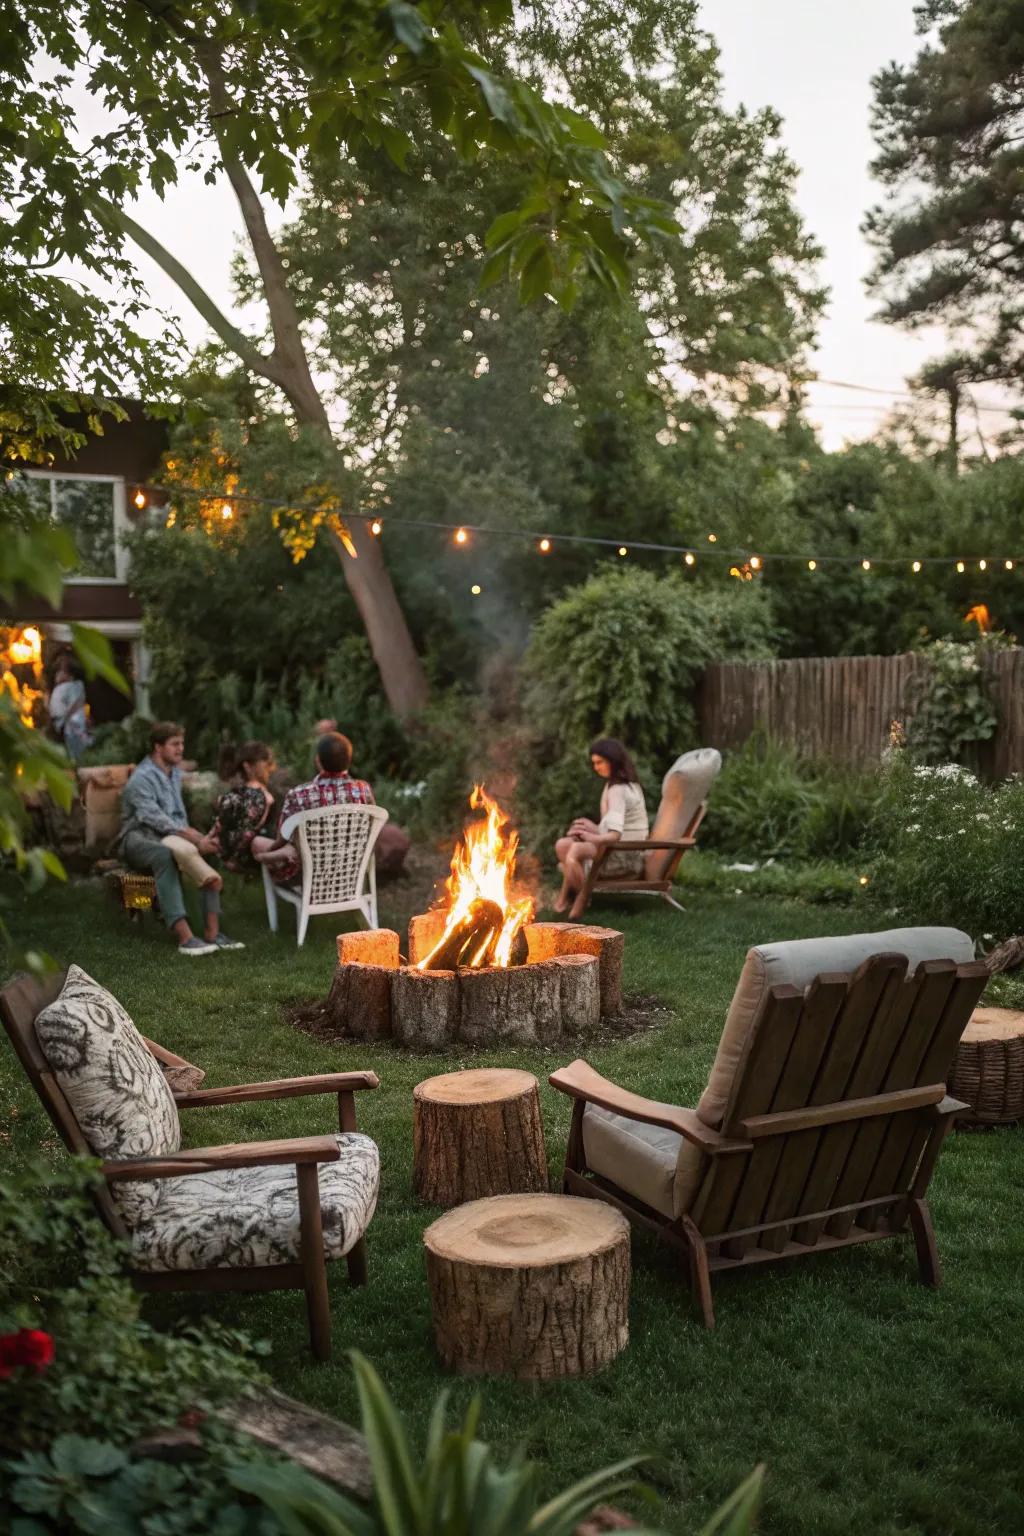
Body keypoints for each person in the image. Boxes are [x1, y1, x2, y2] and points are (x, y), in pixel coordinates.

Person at [119, 721, 244, 956]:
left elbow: (176, 819)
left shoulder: (173, 773)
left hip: (169, 836)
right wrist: (195, 839)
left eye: (182, 743)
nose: (180, 749)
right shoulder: (142, 779)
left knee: (206, 857)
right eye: (174, 744)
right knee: (164, 856)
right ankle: (185, 939)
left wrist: (200, 838)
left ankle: (212, 934)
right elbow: (156, 820)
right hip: (137, 838)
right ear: (158, 747)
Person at [553, 737, 649, 920]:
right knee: (562, 845)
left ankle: (583, 898)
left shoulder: (618, 790)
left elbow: (614, 835)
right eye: (594, 763)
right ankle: (564, 900)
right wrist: (592, 828)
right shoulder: (627, 785)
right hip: (621, 848)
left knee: (573, 850)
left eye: (599, 762)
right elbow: (618, 827)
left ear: (612, 760)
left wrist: (589, 836)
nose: (596, 767)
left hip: (624, 856)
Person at [261, 731, 376, 885]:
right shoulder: (363, 789)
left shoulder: (298, 795)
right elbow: (373, 826)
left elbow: (283, 837)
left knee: (262, 846)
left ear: (318, 761)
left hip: (310, 876)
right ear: (349, 760)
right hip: (351, 874)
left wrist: (269, 852)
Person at [211, 740, 279, 871]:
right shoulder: (261, 796)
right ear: (248, 766)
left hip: (232, 854)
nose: (269, 767)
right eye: (265, 762)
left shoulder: (233, 794)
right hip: (250, 857)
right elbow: (248, 832)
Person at [48, 654, 93, 761]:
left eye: (61, 672)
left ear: (70, 674)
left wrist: (65, 720)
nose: (57, 675)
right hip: (60, 723)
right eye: (57, 671)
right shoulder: (61, 688)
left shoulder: (75, 686)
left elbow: (76, 706)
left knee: (76, 753)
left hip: (71, 725)